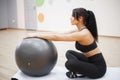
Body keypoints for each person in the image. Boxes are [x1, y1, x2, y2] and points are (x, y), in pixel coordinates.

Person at [25, 8, 107, 79]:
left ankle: (79, 71)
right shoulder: (80, 30)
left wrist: (35, 35)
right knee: (69, 53)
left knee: (69, 64)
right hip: (90, 61)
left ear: (80, 18)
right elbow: (60, 34)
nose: (70, 18)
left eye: (72, 16)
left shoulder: (83, 34)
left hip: (98, 69)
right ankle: (81, 69)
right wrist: (39, 34)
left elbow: (57, 38)